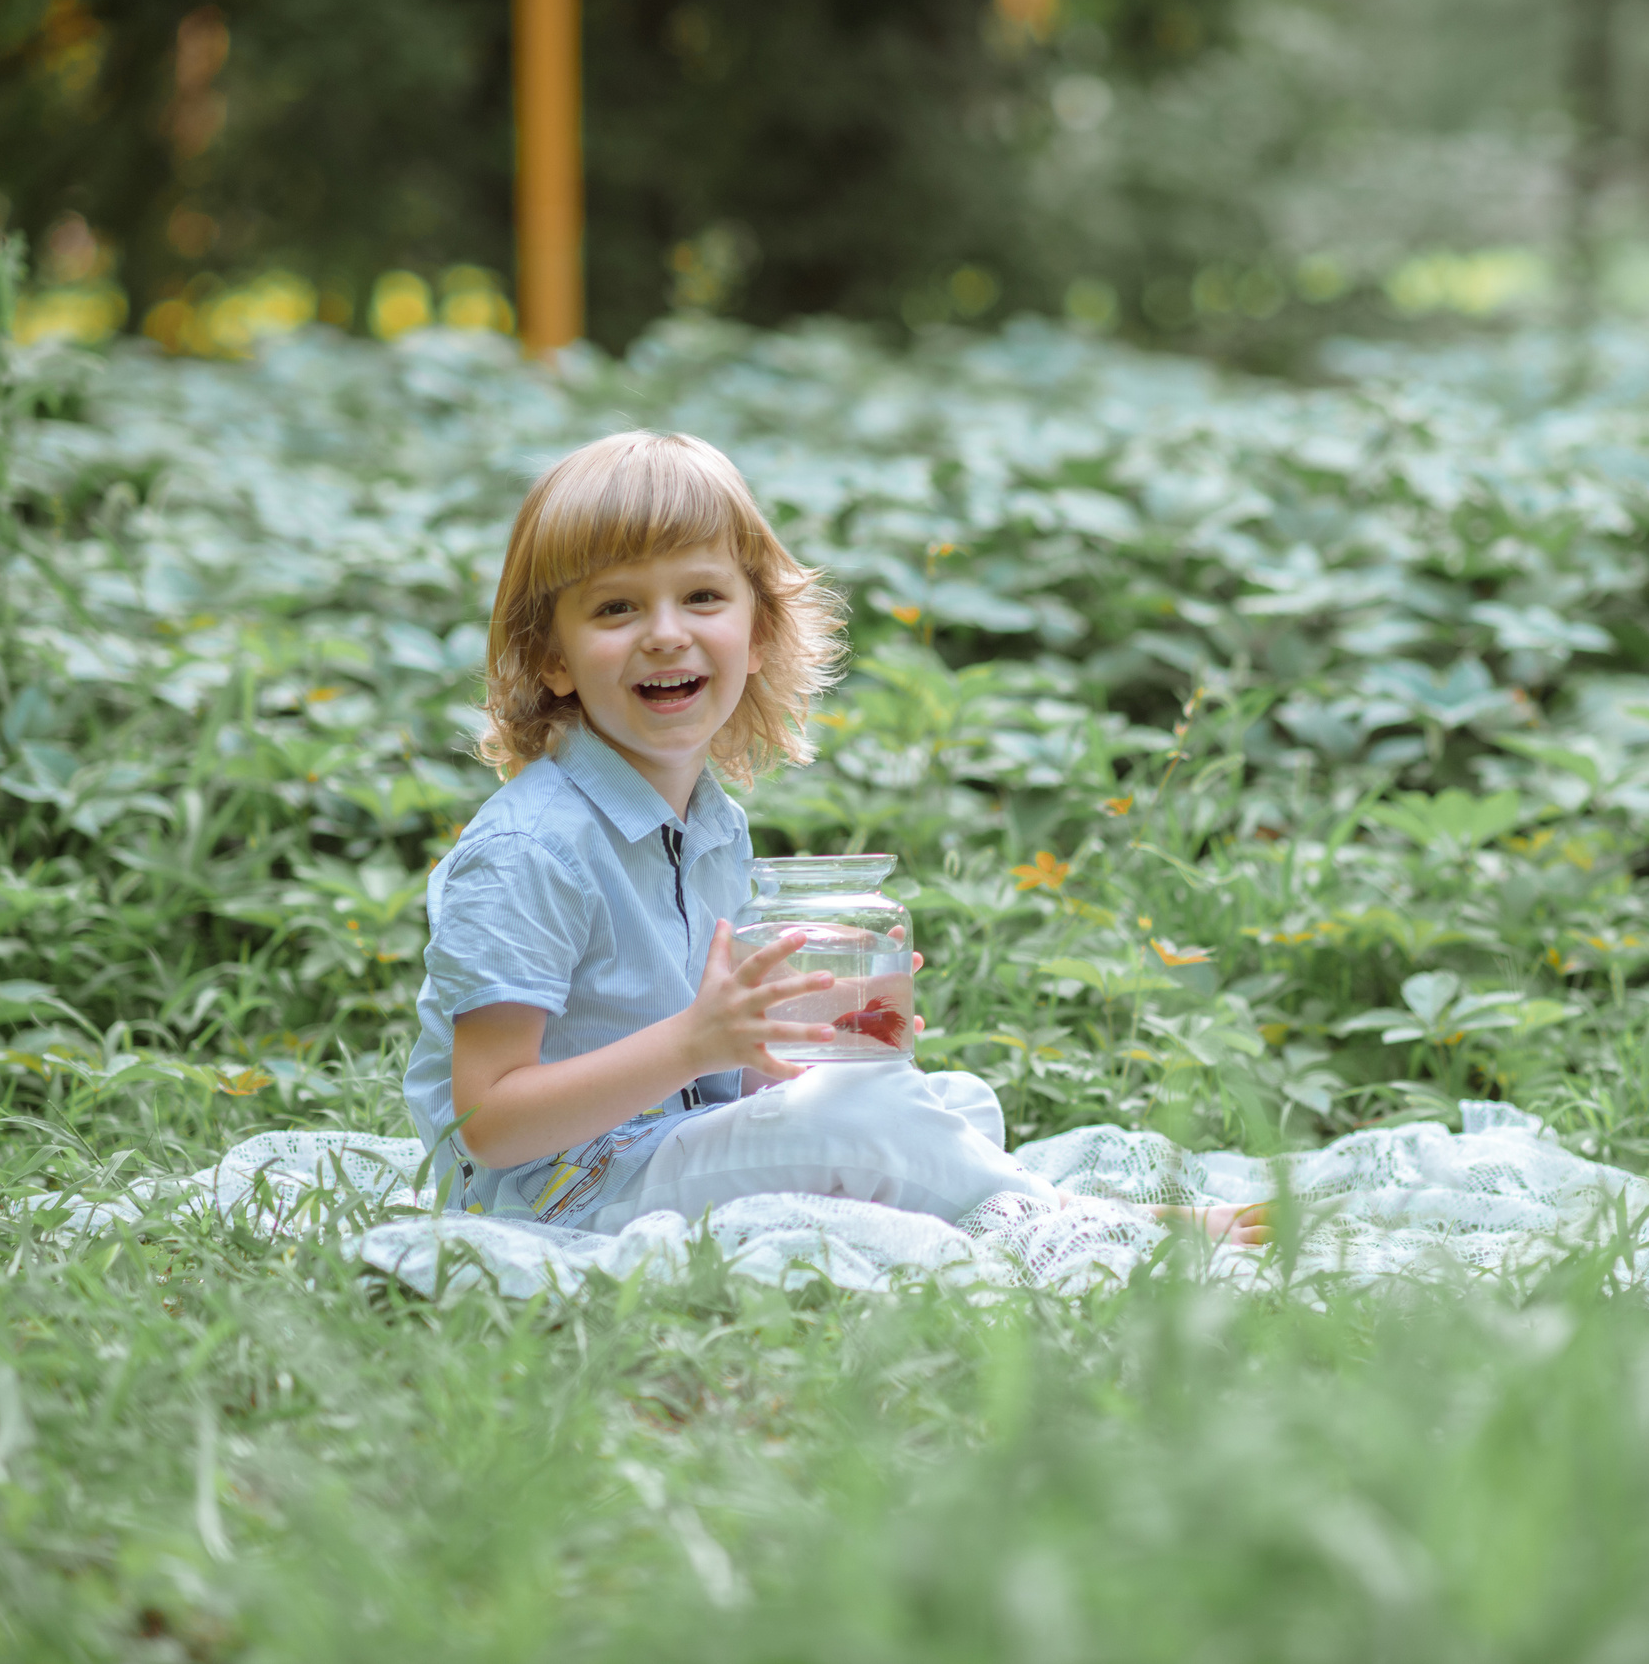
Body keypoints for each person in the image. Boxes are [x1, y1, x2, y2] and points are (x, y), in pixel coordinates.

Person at [402, 430, 1267, 1245]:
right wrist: (698, 1043)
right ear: (552, 659)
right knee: (867, 1122)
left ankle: (957, 1184)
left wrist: (777, 1050)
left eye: (702, 595)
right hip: (555, 1193)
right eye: (616, 607)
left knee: (945, 1100)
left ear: (758, 629)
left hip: (656, 1147)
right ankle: (1090, 1222)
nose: (666, 631)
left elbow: (704, 1077)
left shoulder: (709, 824)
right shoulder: (529, 849)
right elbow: (490, 1124)